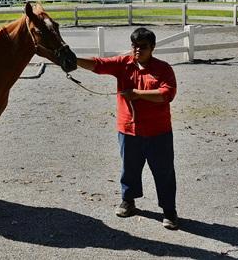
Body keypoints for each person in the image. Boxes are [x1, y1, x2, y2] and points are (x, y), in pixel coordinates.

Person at [75, 27, 179, 230]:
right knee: (129, 169)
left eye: (142, 47)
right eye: (134, 46)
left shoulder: (164, 69)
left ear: (152, 48)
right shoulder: (123, 64)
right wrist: (74, 60)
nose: (137, 50)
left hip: (159, 133)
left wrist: (137, 93)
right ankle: (128, 201)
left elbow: (166, 94)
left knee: (164, 172)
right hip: (128, 131)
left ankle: (169, 210)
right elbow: (98, 64)